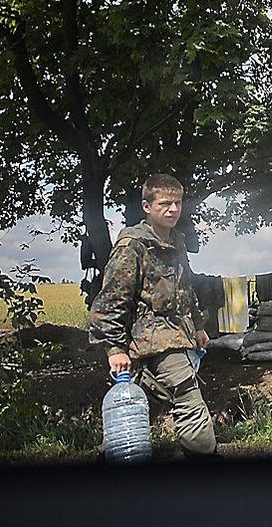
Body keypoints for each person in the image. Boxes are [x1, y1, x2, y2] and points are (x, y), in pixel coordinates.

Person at [89, 173, 217, 456]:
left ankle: (111, 459)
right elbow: (111, 301)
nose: (173, 209)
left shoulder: (176, 242)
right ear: (147, 207)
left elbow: (185, 289)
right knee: (187, 396)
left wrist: (197, 327)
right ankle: (204, 458)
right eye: (164, 204)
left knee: (137, 409)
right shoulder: (132, 246)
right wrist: (114, 349)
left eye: (177, 203)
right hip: (149, 341)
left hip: (173, 337)